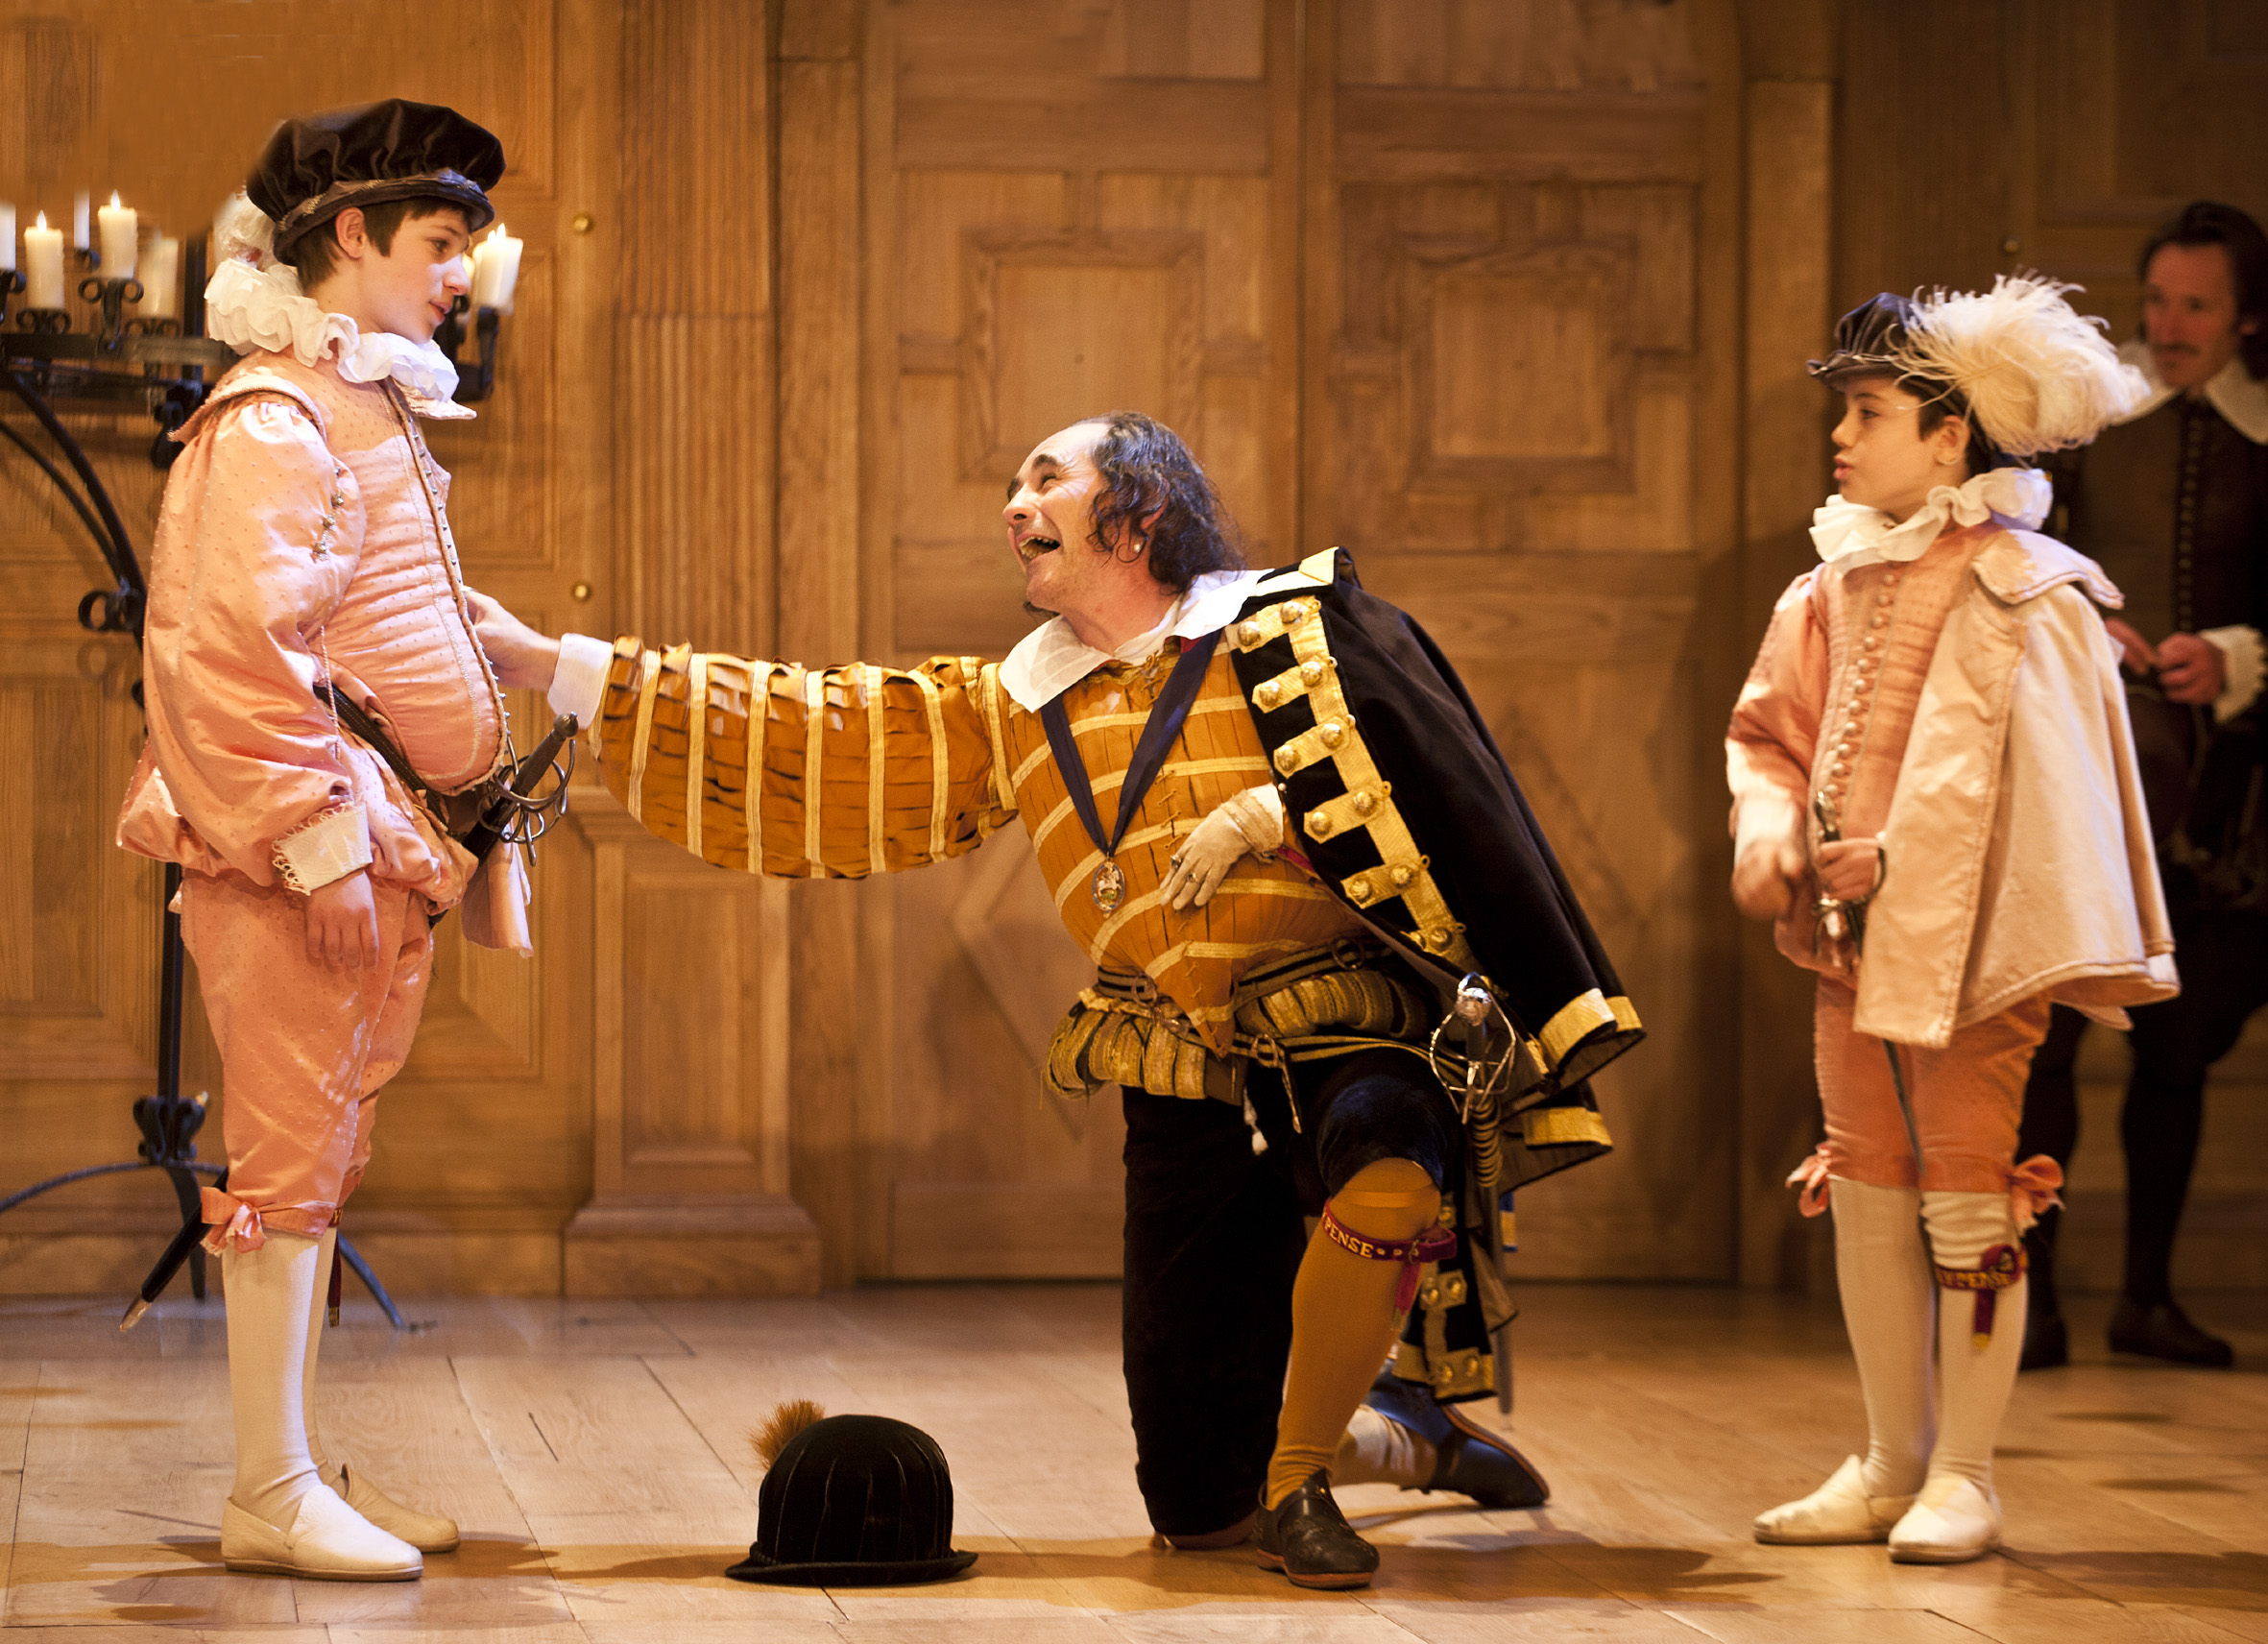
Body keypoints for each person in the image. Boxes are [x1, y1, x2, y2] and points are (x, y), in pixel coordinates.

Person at [474, 410, 1643, 1589]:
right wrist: (549, 664)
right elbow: (809, 727)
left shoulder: (1293, 629)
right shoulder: (1012, 703)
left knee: (1387, 1164)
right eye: (1012, 483)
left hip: (1340, 1010)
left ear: (1137, 513)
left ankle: (1302, 1483)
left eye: (1046, 478)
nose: (1013, 505)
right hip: (1175, 1049)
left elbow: (1434, 781)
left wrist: (1281, 821)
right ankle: (1401, 1433)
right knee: (1195, 1511)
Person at [115, 101, 566, 1581]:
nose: (457, 273)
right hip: (303, 849)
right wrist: (315, 849)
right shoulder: (275, 416)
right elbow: (227, 652)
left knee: (321, 1149)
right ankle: (270, 1490)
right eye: (442, 243)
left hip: (379, 848)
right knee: (289, 1155)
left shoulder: (354, 405)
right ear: (354, 235)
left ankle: (295, 1463)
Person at [1726, 278, 2175, 1563]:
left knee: (1965, 1199)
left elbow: (2044, 792)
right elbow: (1764, 734)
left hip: (1976, 957)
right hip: (1848, 952)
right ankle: (1885, 1461)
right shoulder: (1828, 589)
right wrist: (1772, 835)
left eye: (1869, 411)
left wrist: (1899, 856)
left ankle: (1964, 1475)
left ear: (1951, 435)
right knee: (1867, 1189)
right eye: (1846, 411)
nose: (1841, 434)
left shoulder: (2025, 592)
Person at [2015, 203, 2268, 1371]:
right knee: (2051, 1038)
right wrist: (2092, 622)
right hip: (2085, 771)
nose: (2168, 326)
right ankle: (2042, 1302)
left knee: (2175, 1050)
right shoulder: (2092, 429)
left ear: (2246, 316)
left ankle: (2147, 1298)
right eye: (2157, 300)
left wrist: (2234, 654)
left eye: (2196, 306)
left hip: (2228, 793)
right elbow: (2022, 556)